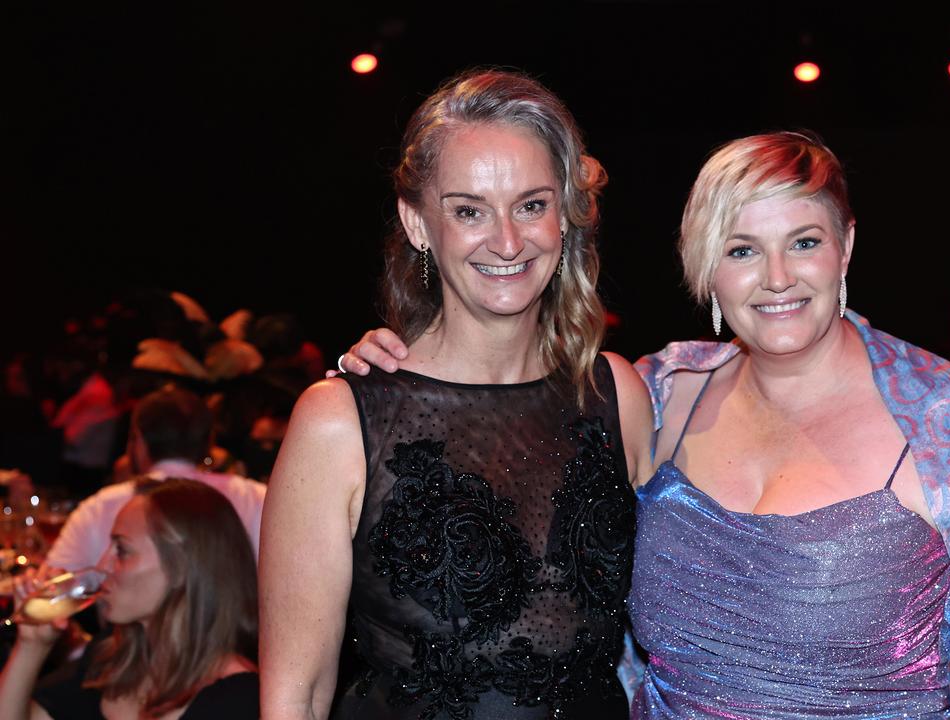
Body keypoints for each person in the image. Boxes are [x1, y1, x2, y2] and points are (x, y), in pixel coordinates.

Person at [344, 131, 950, 717]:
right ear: (705, 270)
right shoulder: (661, 392)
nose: (776, 278)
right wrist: (397, 375)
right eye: (742, 250)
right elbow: (505, 439)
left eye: (803, 241)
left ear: (847, 247)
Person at [258, 69, 651, 720]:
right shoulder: (342, 422)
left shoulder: (616, 395)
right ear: (418, 222)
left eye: (532, 204)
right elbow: (293, 698)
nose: (505, 240)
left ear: (566, 214)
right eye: (469, 210)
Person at [0, 479, 260, 719]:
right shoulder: (114, 657)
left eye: (122, 550)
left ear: (181, 567)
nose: (102, 564)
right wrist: (31, 647)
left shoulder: (239, 699)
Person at [44, 385, 267, 573]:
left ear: (138, 441)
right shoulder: (255, 497)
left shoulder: (103, 506)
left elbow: (53, 589)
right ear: (209, 442)